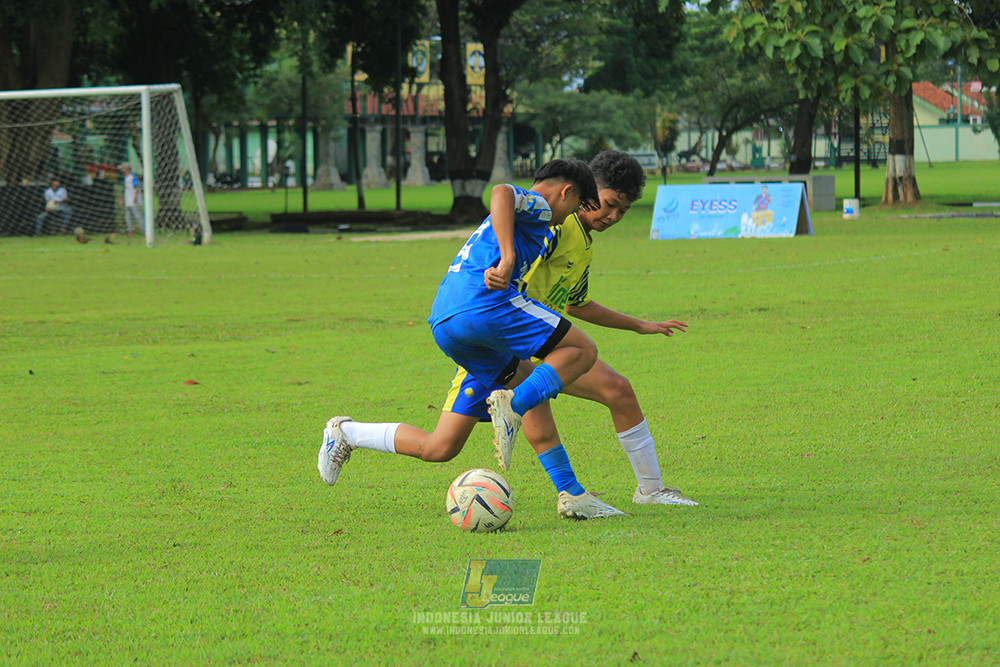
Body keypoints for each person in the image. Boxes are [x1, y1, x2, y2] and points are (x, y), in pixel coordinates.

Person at [318, 153, 697, 517]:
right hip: (504, 325)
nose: (611, 216)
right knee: (599, 384)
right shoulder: (555, 222)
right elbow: (508, 219)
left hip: (503, 334)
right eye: (607, 204)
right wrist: (503, 264)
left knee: (442, 446)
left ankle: (348, 433)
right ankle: (630, 490)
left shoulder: (582, 243)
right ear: (580, 193)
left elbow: (577, 304)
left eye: (622, 211)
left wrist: (639, 325)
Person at [119, 163, 143, 235]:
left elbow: (136, 187)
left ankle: (144, 230)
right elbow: (126, 190)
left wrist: (135, 197)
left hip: (134, 201)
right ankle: (130, 231)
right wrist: (122, 199)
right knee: (128, 217)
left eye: (122, 168)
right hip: (128, 201)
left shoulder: (133, 177)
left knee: (138, 216)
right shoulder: (126, 178)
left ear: (125, 169)